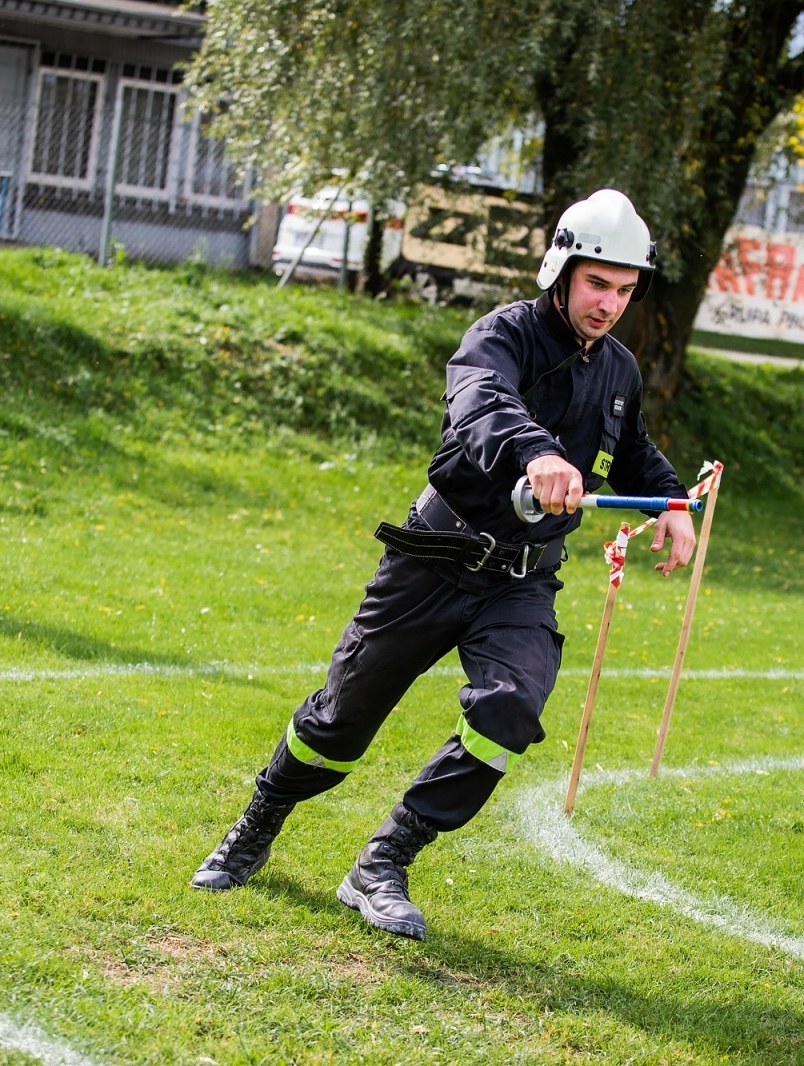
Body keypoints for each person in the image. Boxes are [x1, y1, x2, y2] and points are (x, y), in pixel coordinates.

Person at [191, 189, 695, 940]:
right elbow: (481, 401)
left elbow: (632, 453)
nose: (609, 304)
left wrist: (672, 504)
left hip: (522, 581)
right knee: (339, 724)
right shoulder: (502, 335)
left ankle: (384, 861)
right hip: (433, 560)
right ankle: (258, 822)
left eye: (625, 290)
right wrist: (539, 452)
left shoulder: (618, 369)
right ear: (562, 270)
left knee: (511, 710)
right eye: (598, 284)